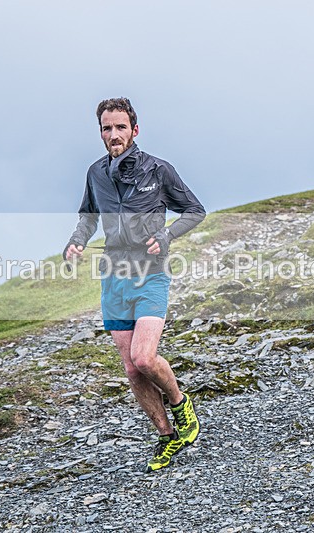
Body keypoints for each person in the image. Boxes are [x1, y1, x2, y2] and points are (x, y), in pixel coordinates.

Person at [64, 97, 206, 471]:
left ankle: (180, 404)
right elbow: (88, 217)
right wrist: (76, 241)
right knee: (130, 369)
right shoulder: (95, 173)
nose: (114, 134)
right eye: (107, 128)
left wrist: (167, 234)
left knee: (144, 358)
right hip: (114, 279)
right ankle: (167, 437)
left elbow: (195, 210)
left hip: (150, 274)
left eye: (120, 127)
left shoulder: (157, 170)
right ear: (100, 132)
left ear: (135, 130)